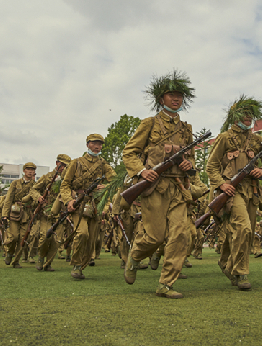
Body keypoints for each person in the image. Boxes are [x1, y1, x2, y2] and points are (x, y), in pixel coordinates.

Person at [122, 70, 196, 299]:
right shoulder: (149, 124)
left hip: (178, 189)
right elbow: (129, 153)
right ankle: (134, 257)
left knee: (180, 235)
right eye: (171, 95)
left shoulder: (186, 129)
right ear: (161, 99)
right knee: (155, 237)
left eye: (180, 96)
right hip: (154, 188)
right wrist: (143, 171)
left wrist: (188, 166)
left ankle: (166, 284)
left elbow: (192, 158)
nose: (176, 99)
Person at [207, 96, 262, 290]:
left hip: (252, 191)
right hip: (231, 191)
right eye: (245, 114)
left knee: (242, 232)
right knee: (244, 228)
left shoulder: (257, 140)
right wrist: (221, 184)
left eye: (251, 114)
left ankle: (226, 262)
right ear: (235, 116)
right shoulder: (224, 138)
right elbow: (211, 166)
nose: (249, 117)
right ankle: (241, 272)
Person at [60, 136, 116, 279]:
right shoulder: (76, 163)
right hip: (79, 203)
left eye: (99, 144)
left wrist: (107, 186)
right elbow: (65, 184)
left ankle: (82, 266)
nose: (97, 146)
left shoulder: (104, 164)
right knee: (82, 234)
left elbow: (115, 181)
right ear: (87, 145)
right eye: (94, 143)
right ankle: (77, 265)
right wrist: (68, 201)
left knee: (91, 240)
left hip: (95, 206)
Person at [24, 154, 71, 272]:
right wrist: (38, 197)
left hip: (60, 213)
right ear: (57, 163)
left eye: (67, 166)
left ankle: (48, 263)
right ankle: (40, 257)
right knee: (45, 237)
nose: (64, 168)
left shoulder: (69, 179)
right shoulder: (47, 177)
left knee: (56, 240)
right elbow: (33, 189)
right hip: (46, 213)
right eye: (62, 165)